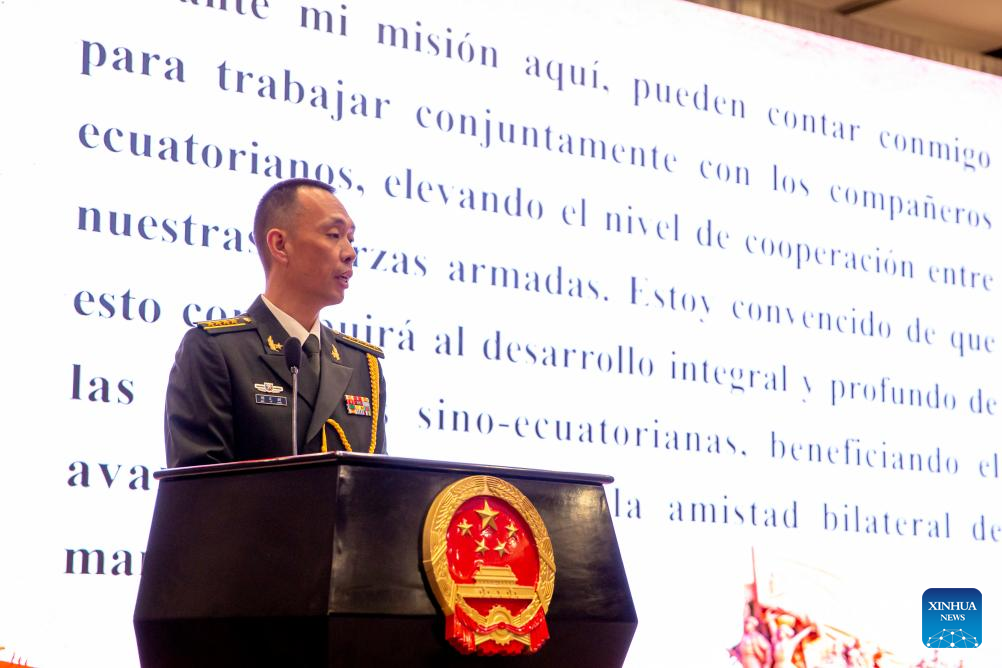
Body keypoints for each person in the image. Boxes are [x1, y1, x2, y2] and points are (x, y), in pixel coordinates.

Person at [164, 178, 387, 467]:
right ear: (280, 245)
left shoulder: (362, 364)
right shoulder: (217, 351)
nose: (349, 253)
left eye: (351, 239)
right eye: (334, 235)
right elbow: (198, 492)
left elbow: (377, 485)